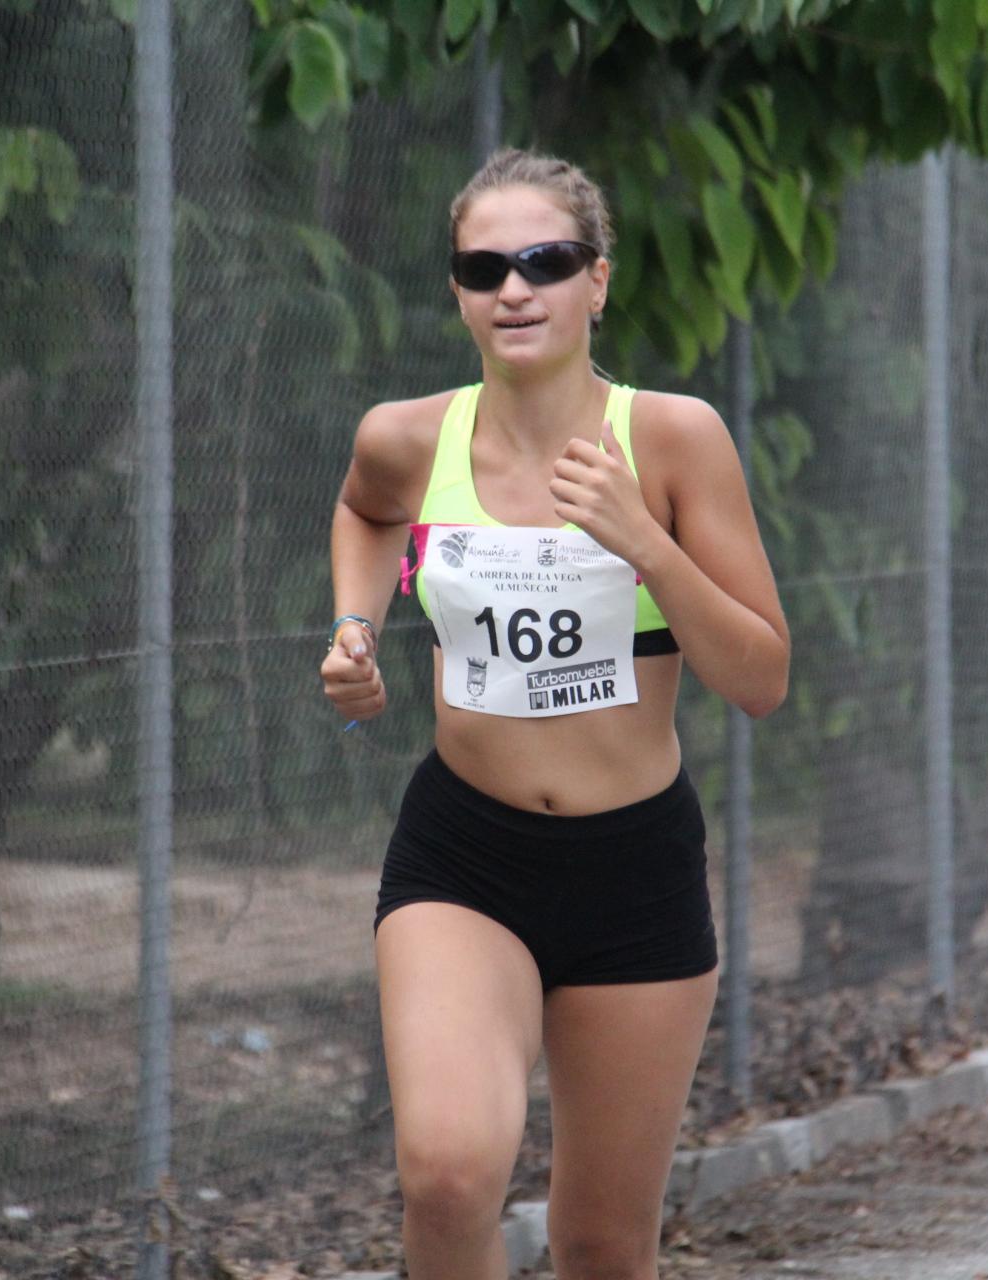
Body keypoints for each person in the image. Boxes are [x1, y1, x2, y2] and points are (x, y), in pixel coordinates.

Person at [319, 146, 789, 1280]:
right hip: (466, 854)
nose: (515, 288)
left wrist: (645, 542)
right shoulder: (409, 436)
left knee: (601, 1245)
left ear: (598, 280)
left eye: (546, 260)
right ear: (458, 293)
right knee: (446, 1177)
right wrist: (355, 625)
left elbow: (762, 677)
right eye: (485, 268)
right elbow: (366, 510)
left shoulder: (673, 439)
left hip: (634, 869)